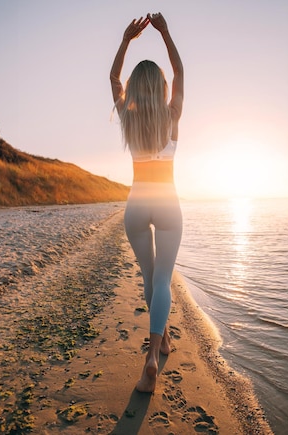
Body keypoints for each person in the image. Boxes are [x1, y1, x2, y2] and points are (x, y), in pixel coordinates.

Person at [110, 12, 184, 393]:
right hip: (168, 203)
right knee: (162, 281)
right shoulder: (172, 115)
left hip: (137, 204)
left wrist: (126, 41)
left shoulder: (128, 115)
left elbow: (113, 79)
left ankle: (162, 342)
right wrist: (166, 34)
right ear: (161, 88)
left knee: (148, 276)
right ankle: (153, 356)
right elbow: (180, 72)